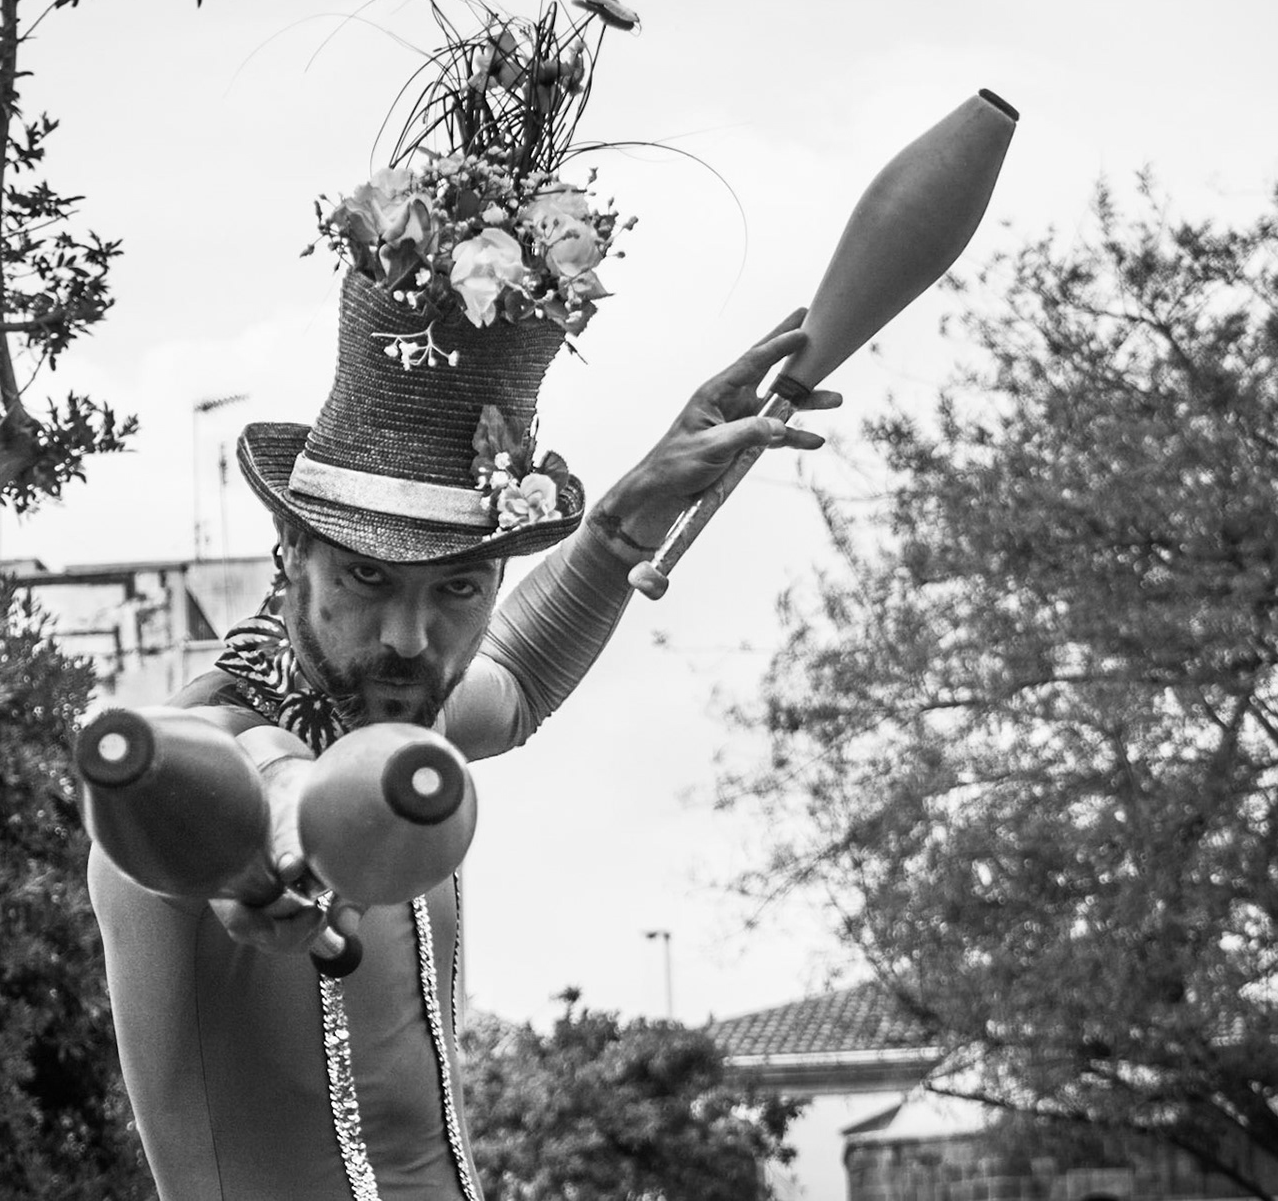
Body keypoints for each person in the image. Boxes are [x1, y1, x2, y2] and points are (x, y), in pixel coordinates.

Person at [87, 274, 841, 1198]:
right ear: (290, 549)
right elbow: (257, 788)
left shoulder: (398, 720)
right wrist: (289, 830)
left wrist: (640, 496)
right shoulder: (193, 764)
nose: (411, 639)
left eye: (457, 590)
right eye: (368, 578)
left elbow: (519, 675)